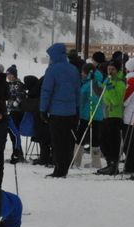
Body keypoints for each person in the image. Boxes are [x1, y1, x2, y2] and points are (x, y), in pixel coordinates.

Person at [40, 43, 80, 178]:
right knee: (67, 141)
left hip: (56, 112)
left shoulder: (52, 70)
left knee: (57, 141)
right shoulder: (73, 69)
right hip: (71, 112)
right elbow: (77, 91)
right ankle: (65, 167)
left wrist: (43, 109)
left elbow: (46, 91)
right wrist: (77, 108)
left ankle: (59, 169)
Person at [96, 61, 125, 175]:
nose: (110, 71)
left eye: (112, 69)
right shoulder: (108, 80)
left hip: (115, 115)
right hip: (105, 114)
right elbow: (102, 94)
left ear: (117, 70)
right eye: (109, 69)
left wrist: (111, 89)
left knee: (113, 141)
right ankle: (109, 163)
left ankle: (114, 164)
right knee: (103, 140)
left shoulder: (119, 83)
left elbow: (116, 101)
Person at [5, 65, 27, 129]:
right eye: (7, 74)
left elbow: (21, 95)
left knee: (14, 128)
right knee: (11, 129)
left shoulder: (18, 84)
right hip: (11, 110)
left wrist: (16, 102)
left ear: (14, 75)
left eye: (10, 74)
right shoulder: (9, 84)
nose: (8, 76)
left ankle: (17, 138)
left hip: (18, 110)